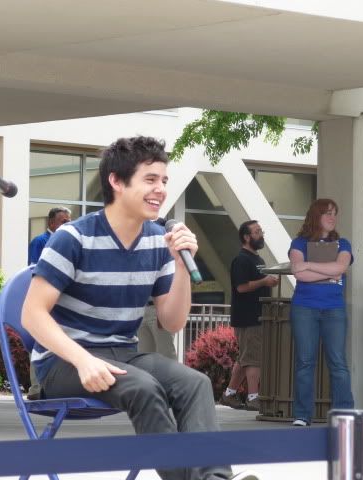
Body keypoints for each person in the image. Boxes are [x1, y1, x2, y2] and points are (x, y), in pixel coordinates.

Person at [21, 136, 258, 480]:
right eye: (150, 180)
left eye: (163, 180)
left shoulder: (157, 242)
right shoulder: (73, 238)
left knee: (195, 383)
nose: (160, 189)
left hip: (124, 354)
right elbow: (32, 313)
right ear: (116, 181)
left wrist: (180, 266)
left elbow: (172, 321)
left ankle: (216, 477)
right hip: (66, 362)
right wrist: (83, 360)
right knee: (143, 386)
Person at [288, 198, 354, 427]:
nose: (332, 217)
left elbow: (341, 268)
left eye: (334, 213)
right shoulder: (299, 243)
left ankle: (343, 416)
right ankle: (302, 415)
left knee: (338, 363)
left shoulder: (343, 243)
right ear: (316, 216)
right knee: (305, 362)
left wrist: (309, 265)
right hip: (304, 308)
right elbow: (298, 272)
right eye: (327, 213)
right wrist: (328, 274)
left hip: (334, 308)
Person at [220, 221, 278, 411]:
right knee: (253, 358)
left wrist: (267, 282)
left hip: (258, 315)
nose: (261, 234)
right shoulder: (241, 260)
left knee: (245, 357)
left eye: (261, 231)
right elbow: (241, 286)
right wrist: (264, 281)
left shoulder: (258, 260)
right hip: (248, 316)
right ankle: (253, 398)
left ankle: (229, 394)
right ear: (246, 237)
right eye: (257, 232)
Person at [26, 206, 72, 400]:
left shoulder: (71, 241)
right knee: (40, 340)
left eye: (69, 220)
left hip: (64, 302)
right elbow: (34, 270)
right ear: (51, 223)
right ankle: (36, 388)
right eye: (63, 221)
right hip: (46, 301)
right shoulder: (40, 241)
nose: (68, 224)